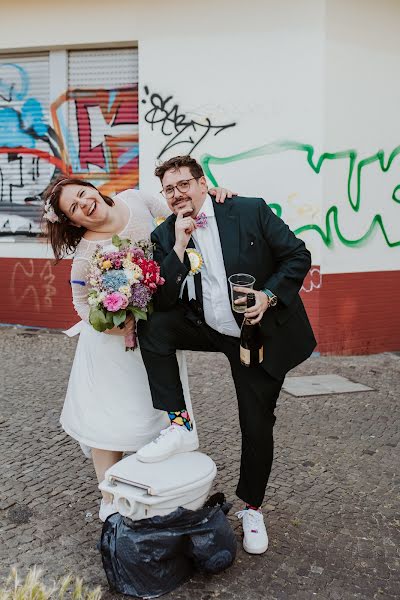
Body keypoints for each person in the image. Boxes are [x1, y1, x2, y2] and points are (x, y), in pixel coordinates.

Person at [137, 155, 317, 554]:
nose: (177, 194)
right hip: (209, 328)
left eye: (184, 184)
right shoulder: (166, 234)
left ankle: (252, 508)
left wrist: (267, 296)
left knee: (256, 424)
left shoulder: (247, 210)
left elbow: (297, 256)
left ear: (204, 184)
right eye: (169, 189)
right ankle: (179, 422)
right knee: (152, 325)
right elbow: (165, 299)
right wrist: (181, 243)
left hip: (256, 334)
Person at [42, 176, 234, 522]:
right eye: (74, 207)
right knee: (108, 420)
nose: (84, 203)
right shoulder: (85, 254)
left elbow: (181, 210)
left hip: (156, 333)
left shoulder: (136, 199)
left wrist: (212, 196)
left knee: (157, 414)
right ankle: (108, 495)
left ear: (93, 189)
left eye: (83, 194)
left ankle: (155, 488)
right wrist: (117, 327)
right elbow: (82, 305)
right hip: (111, 349)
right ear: (73, 221)